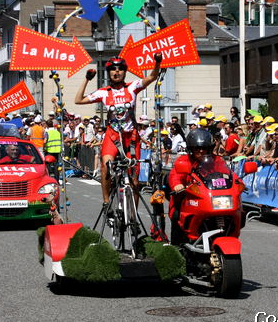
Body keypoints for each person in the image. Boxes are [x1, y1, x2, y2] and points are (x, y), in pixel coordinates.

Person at [74, 54, 162, 207]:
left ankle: (133, 215)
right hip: (112, 136)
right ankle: (107, 201)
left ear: (125, 72)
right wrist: (87, 79)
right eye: (113, 69)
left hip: (131, 137)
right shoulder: (104, 92)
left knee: (134, 179)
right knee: (106, 166)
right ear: (108, 73)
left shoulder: (133, 87)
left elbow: (152, 77)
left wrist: (157, 62)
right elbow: (78, 100)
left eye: (120, 69)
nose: (116, 72)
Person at [168, 129, 229, 244]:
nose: (201, 151)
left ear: (209, 148)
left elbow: (229, 175)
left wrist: (238, 183)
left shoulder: (217, 161)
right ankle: (177, 246)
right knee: (177, 215)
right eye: (197, 148)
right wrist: (177, 185)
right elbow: (175, 175)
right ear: (191, 149)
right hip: (188, 198)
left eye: (204, 148)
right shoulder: (183, 160)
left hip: (210, 198)